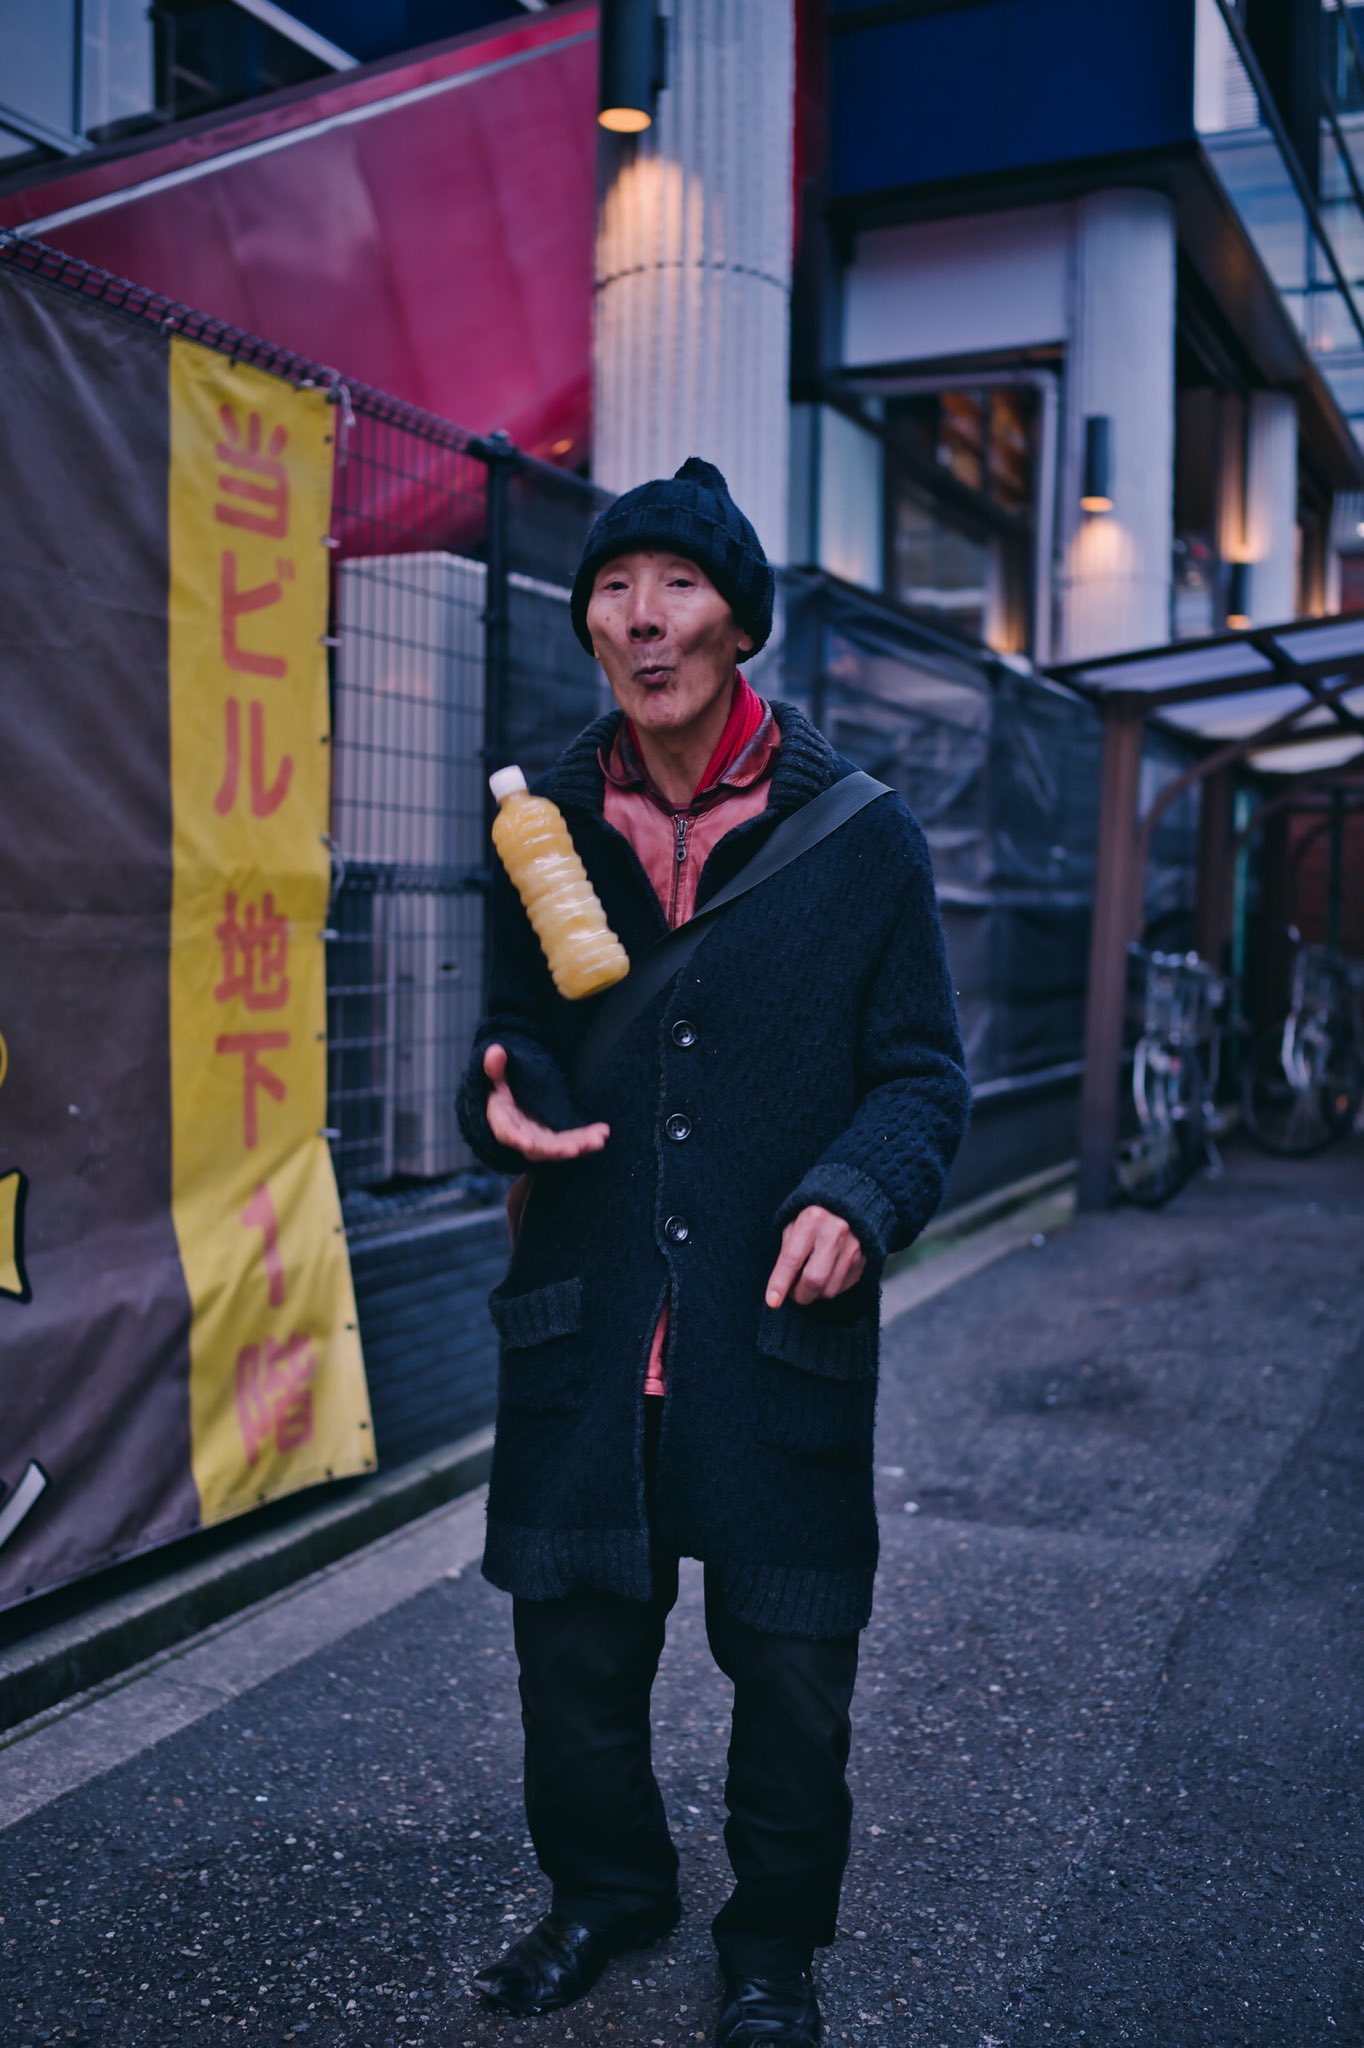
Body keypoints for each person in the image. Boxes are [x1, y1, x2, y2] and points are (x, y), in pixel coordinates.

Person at [457, 456, 970, 2046]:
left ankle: (772, 1946)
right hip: (593, 1316)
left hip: (773, 1327)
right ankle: (608, 1892)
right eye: (613, 590)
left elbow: (923, 1077)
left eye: (676, 585)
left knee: (795, 1667)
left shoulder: (860, 837)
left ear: (739, 623)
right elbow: (517, 1036)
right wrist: (505, 1102)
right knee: (573, 1656)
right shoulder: (543, 825)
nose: (641, 616)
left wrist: (858, 1194)